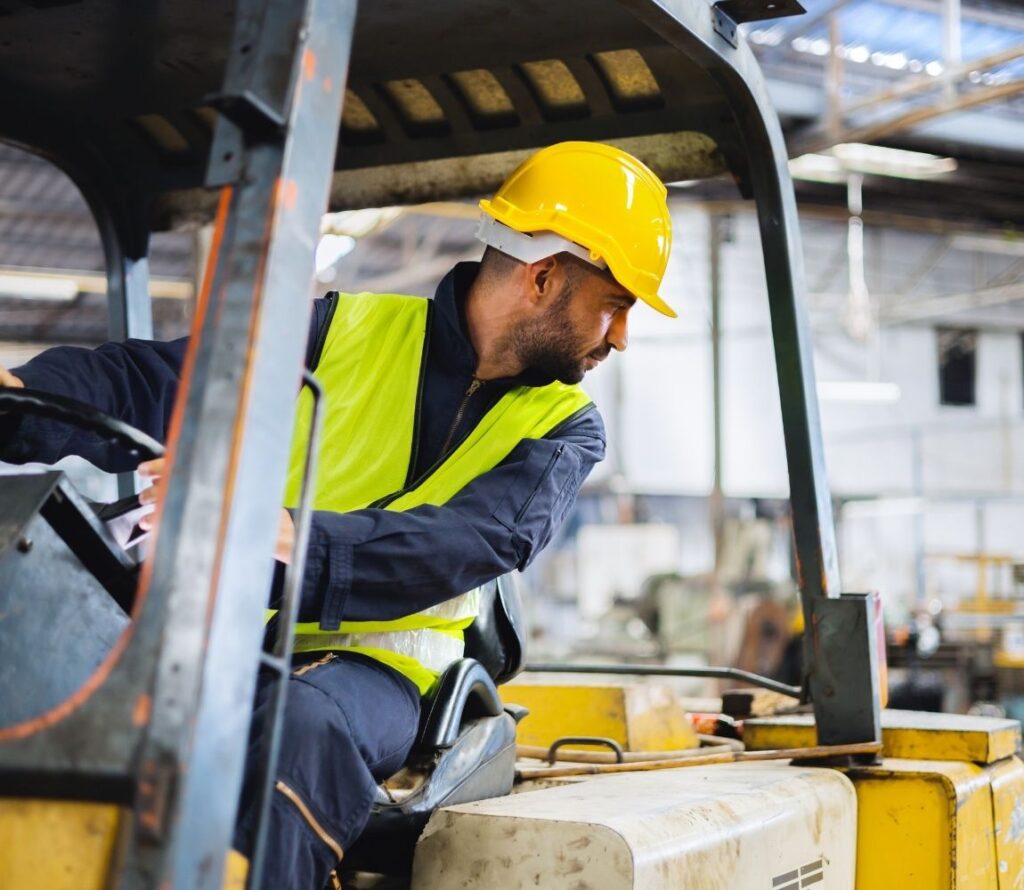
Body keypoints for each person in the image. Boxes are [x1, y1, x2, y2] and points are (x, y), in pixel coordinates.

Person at [0, 141, 675, 888]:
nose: (619, 337)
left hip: (384, 675)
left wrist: (291, 537)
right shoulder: (341, 330)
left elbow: (473, 539)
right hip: (230, 641)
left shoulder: (565, 426)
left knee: (297, 729)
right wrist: (20, 391)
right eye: (615, 305)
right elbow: (162, 379)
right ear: (544, 278)